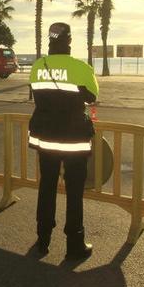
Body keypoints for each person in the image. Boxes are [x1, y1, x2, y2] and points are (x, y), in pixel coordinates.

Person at [28, 22, 98, 260]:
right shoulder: (80, 67)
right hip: (73, 140)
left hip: (46, 138)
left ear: (50, 40)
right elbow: (92, 97)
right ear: (68, 41)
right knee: (74, 191)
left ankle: (43, 239)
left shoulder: (38, 66)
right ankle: (75, 244)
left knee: (46, 186)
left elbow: (37, 95)